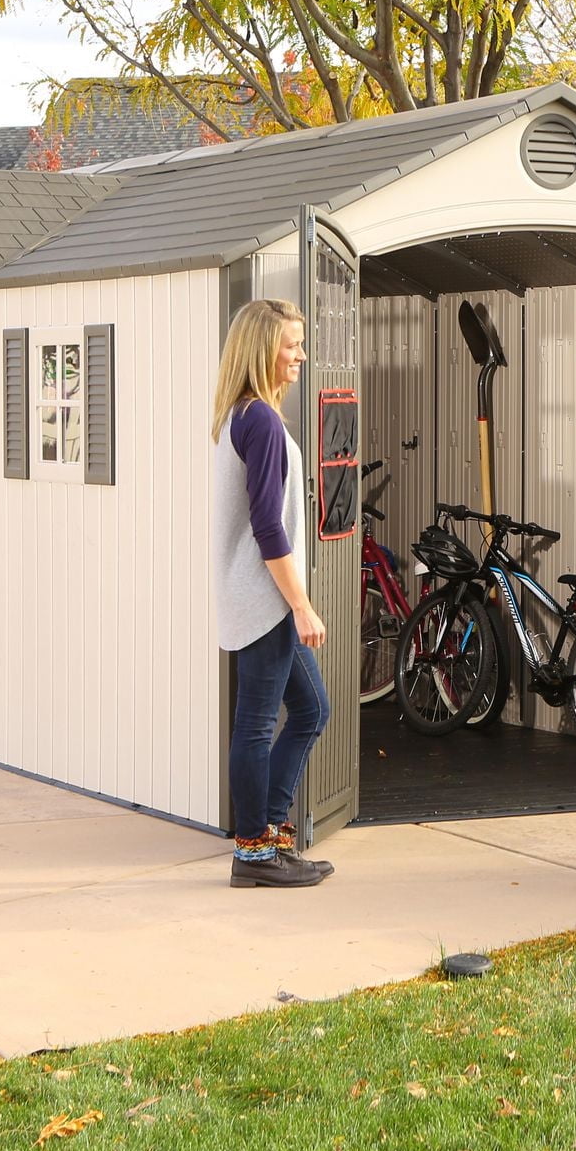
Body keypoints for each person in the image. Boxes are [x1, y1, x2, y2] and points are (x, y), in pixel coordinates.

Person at [211, 298, 334, 888]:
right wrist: (301, 603)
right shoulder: (257, 419)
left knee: (312, 709)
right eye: (292, 344)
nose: (300, 355)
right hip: (266, 599)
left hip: (262, 597)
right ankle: (253, 852)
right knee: (258, 724)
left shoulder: (243, 415)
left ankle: (271, 837)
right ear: (264, 348)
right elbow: (267, 525)